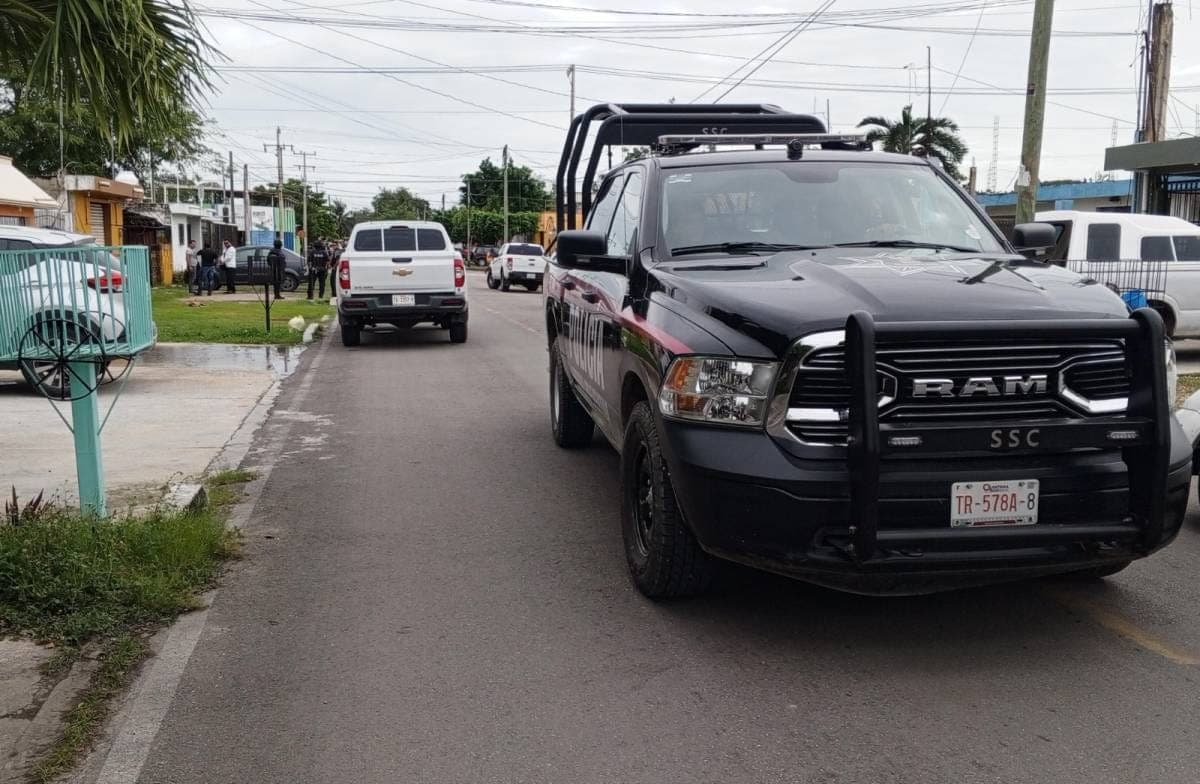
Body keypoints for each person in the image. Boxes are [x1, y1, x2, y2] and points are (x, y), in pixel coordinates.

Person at [306, 236, 329, 300]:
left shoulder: (312, 252)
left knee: (311, 283)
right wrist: (326, 269)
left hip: (313, 269)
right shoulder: (324, 252)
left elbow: (309, 261)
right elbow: (327, 261)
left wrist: (310, 268)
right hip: (322, 270)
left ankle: (310, 296)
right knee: (322, 284)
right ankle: (321, 296)